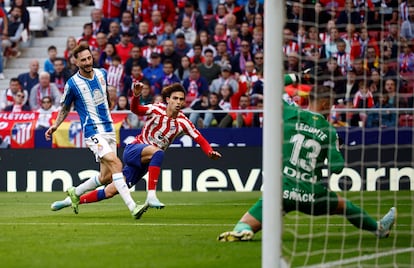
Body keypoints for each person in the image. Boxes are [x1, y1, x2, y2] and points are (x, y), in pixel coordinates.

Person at [218, 84, 396, 242]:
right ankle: (378, 229)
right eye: (332, 105)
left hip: (283, 192)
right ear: (326, 104)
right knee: (346, 207)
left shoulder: (290, 112)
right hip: (313, 195)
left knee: (244, 224)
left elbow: (273, 87)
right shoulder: (329, 130)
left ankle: (244, 230)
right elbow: (337, 167)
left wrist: (294, 77)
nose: (332, 109)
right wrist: (336, 148)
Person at [51, 82, 222, 213]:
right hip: (134, 150)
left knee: (110, 190)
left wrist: (209, 152)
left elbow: (200, 138)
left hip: (145, 162)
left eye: (181, 99)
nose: (178, 102)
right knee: (158, 152)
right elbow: (136, 110)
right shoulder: (157, 109)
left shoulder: (184, 122)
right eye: (175, 98)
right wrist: (136, 96)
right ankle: (151, 196)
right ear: (168, 99)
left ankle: (71, 201)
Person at [47, 44, 147, 219]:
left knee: (106, 177)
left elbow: (106, 96)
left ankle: (74, 193)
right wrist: (55, 125)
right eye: (83, 60)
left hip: (109, 129)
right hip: (93, 131)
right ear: (76, 62)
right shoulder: (72, 84)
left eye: (89, 58)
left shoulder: (102, 74)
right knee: (116, 164)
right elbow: (64, 108)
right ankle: (133, 207)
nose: (87, 62)